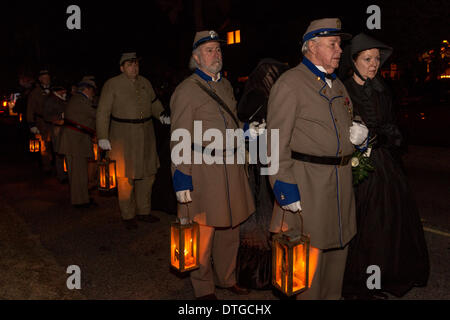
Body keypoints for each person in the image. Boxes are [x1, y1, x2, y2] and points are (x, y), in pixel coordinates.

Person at [266, 18, 369, 300]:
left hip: (339, 183)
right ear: (311, 46)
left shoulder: (337, 85)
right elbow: (274, 141)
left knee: (337, 256)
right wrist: (284, 188)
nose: (340, 50)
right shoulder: (290, 83)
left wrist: (358, 134)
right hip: (307, 182)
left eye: (339, 44)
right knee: (307, 264)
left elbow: (343, 120)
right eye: (333, 44)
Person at [339, 33, 429, 299]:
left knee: (387, 224)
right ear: (353, 61)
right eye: (367, 59)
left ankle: (381, 279)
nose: (374, 64)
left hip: (385, 164)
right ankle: (357, 283)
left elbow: (394, 128)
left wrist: (381, 137)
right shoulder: (342, 90)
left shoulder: (382, 90)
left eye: (377, 59)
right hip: (354, 166)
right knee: (361, 225)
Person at [170, 30, 255, 300]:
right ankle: (203, 287)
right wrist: (181, 177)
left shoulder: (226, 85)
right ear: (196, 57)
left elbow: (227, 122)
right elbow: (179, 136)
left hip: (230, 165)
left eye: (218, 49)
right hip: (204, 167)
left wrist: (245, 130)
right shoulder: (186, 90)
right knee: (203, 230)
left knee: (231, 226)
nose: (216, 54)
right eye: (209, 50)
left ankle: (226, 278)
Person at [96, 52, 169, 230]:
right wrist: (103, 136)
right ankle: (128, 215)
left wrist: (162, 116)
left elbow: (153, 103)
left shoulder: (145, 82)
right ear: (122, 68)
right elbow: (103, 112)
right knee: (125, 176)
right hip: (123, 136)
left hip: (146, 133)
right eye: (129, 64)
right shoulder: (112, 84)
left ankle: (144, 211)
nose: (134, 67)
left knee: (148, 174)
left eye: (136, 64)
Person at [235, 58, 290, 289]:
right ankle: (256, 274)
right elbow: (241, 125)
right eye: (272, 75)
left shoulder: (271, 95)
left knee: (270, 214)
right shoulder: (255, 96)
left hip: (269, 158)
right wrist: (251, 133)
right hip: (258, 163)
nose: (274, 79)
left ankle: (270, 271)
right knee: (259, 214)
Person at [59, 79, 97, 208]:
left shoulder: (77, 99)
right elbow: (95, 115)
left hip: (75, 139)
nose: (93, 93)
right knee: (78, 173)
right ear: (87, 89)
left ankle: (82, 198)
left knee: (78, 172)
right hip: (75, 140)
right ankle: (80, 201)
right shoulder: (81, 101)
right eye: (93, 90)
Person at [27, 69, 52, 173]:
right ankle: (47, 167)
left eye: (48, 77)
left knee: (55, 144)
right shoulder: (35, 93)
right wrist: (31, 124)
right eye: (44, 77)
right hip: (41, 122)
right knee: (44, 146)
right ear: (40, 79)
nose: (47, 79)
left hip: (53, 122)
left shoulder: (54, 90)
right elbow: (30, 109)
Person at [43, 82, 67, 182]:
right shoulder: (51, 100)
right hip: (56, 129)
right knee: (58, 152)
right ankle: (61, 175)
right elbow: (46, 115)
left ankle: (67, 173)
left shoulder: (65, 99)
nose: (65, 92)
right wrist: (58, 119)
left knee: (66, 151)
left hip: (66, 129)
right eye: (63, 90)